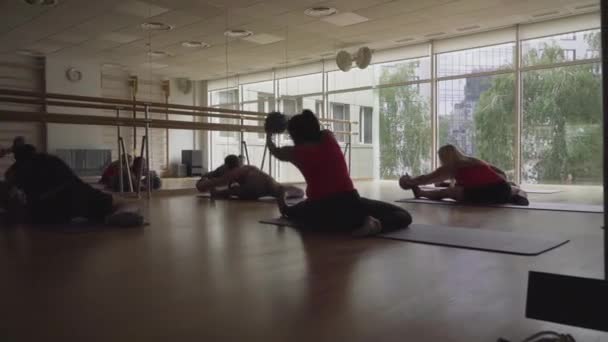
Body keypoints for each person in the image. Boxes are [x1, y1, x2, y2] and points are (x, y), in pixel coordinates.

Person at [266, 110, 412, 237]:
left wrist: (269, 134)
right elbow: (317, 128)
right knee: (403, 216)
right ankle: (376, 225)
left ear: (294, 135)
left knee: (294, 211)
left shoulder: (294, 153)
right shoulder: (328, 138)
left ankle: (285, 207)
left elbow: (274, 150)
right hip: (349, 206)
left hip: (318, 212)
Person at [2, 142, 142, 226]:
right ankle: (119, 214)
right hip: (70, 194)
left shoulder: (17, 172)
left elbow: (9, 179)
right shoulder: (49, 162)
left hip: (41, 205)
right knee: (126, 203)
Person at [399, 144, 514, 204]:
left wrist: (410, 181)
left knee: (450, 192)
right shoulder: (473, 160)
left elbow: (427, 179)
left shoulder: (453, 166)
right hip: (505, 190)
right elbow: (502, 173)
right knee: (455, 187)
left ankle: (421, 193)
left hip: (491, 194)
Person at [196, 154, 304, 200]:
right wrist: (205, 177)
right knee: (279, 189)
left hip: (253, 187)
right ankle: (293, 192)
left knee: (232, 190)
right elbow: (214, 176)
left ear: (227, 166)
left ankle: (287, 192)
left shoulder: (233, 172)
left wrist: (202, 183)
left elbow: (212, 183)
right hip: (267, 181)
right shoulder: (247, 167)